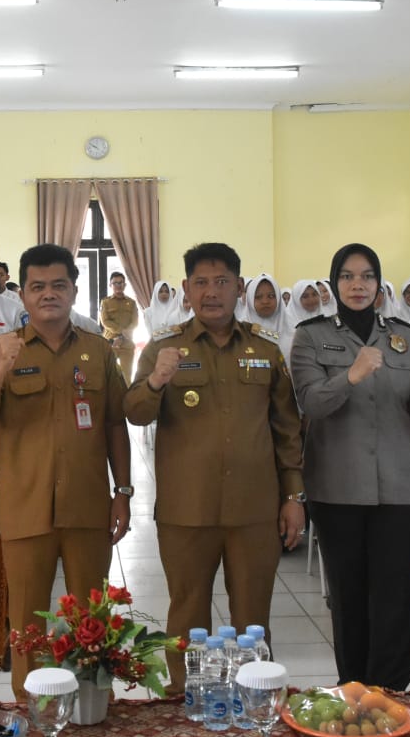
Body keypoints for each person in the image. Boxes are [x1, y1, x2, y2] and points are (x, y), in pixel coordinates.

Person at [124, 242, 304, 693]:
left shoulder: (265, 348)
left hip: (254, 508)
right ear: (186, 289)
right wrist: (156, 380)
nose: (211, 292)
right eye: (201, 282)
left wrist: (293, 496)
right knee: (187, 612)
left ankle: (253, 698)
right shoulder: (164, 347)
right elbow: (135, 413)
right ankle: (187, 697)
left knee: (253, 615)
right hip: (187, 509)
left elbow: (287, 429)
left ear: (239, 288)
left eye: (221, 281)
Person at [0, 244, 131, 699]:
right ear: (22, 295)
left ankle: (94, 703)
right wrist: (1, 365)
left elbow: (115, 424)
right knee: (27, 623)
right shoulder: (0, 350)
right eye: (37, 287)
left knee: (91, 619)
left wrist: (123, 491)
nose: (49, 294)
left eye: (59, 285)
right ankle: (31, 707)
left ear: (74, 291)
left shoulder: (97, 351)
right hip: (26, 509)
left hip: (87, 507)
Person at [290, 246, 410, 689]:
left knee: (397, 596)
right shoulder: (310, 337)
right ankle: (354, 691)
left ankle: (391, 695)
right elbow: (311, 403)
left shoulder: (407, 339)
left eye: (366, 276)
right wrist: (351, 375)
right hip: (337, 487)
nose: (357, 285)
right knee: (348, 596)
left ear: (378, 284)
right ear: (333, 283)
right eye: (347, 276)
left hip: (405, 487)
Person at [98, 271, 141, 380]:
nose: (118, 285)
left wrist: (123, 336)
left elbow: (135, 322)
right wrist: (121, 331)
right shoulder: (105, 302)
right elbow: (105, 321)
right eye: (115, 283)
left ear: (125, 285)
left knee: (127, 377)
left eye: (121, 282)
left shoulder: (131, 302)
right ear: (110, 285)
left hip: (127, 344)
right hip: (110, 343)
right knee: (108, 376)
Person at [241, 271, 294, 359]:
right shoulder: (239, 331)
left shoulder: (292, 331)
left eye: (271, 296)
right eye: (258, 297)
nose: (265, 301)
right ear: (250, 300)